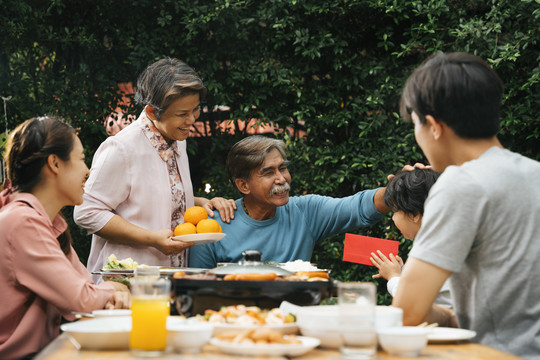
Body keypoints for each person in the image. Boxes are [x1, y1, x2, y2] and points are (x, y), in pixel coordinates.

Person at [392, 52, 540, 358]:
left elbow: (405, 313)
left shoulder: (461, 184)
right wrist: (447, 316)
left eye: (416, 124)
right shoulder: (533, 173)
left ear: (432, 125)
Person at [74, 58, 236, 280]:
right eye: (182, 114)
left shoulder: (178, 137)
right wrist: (150, 238)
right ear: (151, 111)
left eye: (195, 110)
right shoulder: (120, 148)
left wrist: (200, 202)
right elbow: (86, 212)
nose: (192, 120)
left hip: (172, 279)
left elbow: (150, 195)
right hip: (126, 283)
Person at [0, 117, 130, 360]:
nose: (87, 170)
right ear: (55, 163)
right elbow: (81, 300)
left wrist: (108, 295)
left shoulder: (47, 223)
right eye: (81, 159)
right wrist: (117, 287)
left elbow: (86, 289)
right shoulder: (21, 222)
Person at [189, 135, 390, 268]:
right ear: (243, 186)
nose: (282, 178)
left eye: (282, 168)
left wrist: (398, 189)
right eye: (268, 172)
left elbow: (358, 207)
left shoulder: (306, 212)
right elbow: (196, 287)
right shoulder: (213, 226)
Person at [369, 168, 452, 308]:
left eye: (395, 211)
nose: (393, 218)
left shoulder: (430, 251)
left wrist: (393, 276)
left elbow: (411, 300)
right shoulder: (445, 241)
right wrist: (403, 274)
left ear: (414, 214)